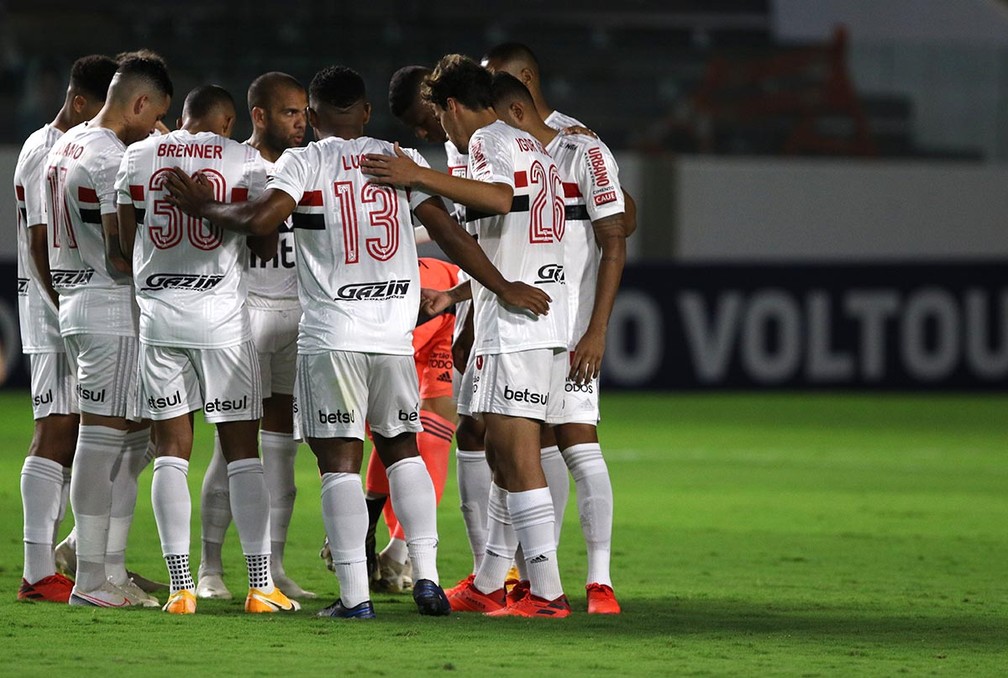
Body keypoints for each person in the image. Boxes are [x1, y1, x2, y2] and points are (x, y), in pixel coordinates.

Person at [163, 64, 549, 619]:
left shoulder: (305, 160)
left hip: (331, 336)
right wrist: (501, 284)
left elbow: (265, 220)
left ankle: (355, 597)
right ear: (366, 112)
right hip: (394, 334)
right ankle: (429, 579)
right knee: (403, 450)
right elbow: (447, 233)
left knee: (339, 464)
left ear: (314, 117)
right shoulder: (402, 161)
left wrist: (203, 208)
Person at [362, 53, 572, 618]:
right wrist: (476, 303)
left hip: (522, 316)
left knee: (518, 454)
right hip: (538, 311)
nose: (442, 131)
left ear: (452, 106)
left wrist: (418, 176)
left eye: (439, 116)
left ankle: (546, 593)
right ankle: (487, 580)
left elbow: (501, 201)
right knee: (501, 454)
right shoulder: (532, 143)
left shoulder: (489, 141)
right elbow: (508, 225)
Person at [115, 84, 300, 616]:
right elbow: (265, 243)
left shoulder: (139, 155)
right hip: (221, 320)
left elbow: (126, 242)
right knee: (243, 451)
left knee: (171, 450)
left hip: (159, 318)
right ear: (226, 122)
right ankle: (260, 585)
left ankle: (180, 588)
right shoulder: (243, 158)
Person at [490, 71, 632, 614]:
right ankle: (527, 578)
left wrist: (595, 330)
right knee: (530, 444)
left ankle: (599, 581)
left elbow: (620, 227)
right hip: (530, 319)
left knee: (578, 440)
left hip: (572, 326)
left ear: (521, 84)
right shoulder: (512, 153)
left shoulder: (582, 147)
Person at [44, 50, 172, 608]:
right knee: (99, 444)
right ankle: (90, 581)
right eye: (154, 116)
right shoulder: (109, 158)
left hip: (76, 300)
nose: (156, 128)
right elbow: (122, 255)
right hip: (109, 308)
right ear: (140, 103)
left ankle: (105, 570)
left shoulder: (66, 145)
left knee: (126, 439)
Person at [195, 72, 314, 602]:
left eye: (305, 112)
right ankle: (210, 567)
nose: (302, 122)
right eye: (290, 112)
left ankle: (275, 566)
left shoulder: (310, 165)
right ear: (259, 115)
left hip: (299, 312)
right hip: (244, 311)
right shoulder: (236, 165)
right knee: (232, 448)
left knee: (283, 452)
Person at [386, 66, 495, 595]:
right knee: (414, 423)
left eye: (422, 121)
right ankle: (407, 551)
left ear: (444, 103)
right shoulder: (458, 152)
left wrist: (459, 294)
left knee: (516, 436)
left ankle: (507, 572)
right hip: (449, 292)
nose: (423, 136)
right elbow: (455, 227)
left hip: (467, 293)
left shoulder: (487, 146)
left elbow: (481, 225)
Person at [15, 54, 117, 604]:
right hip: (54, 308)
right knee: (56, 426)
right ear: (79, 102)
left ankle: (77, 555)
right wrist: (65, 308)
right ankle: (37, 571)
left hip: (66, 303)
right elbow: (37, 242)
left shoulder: (64, 145)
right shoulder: (44, 149)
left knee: (84, 427)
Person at [362, 256, 460, 593]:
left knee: (427, 424)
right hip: (381, 320)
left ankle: (399, 551)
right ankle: (373, 536)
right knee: (386, 427)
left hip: (441, 306)